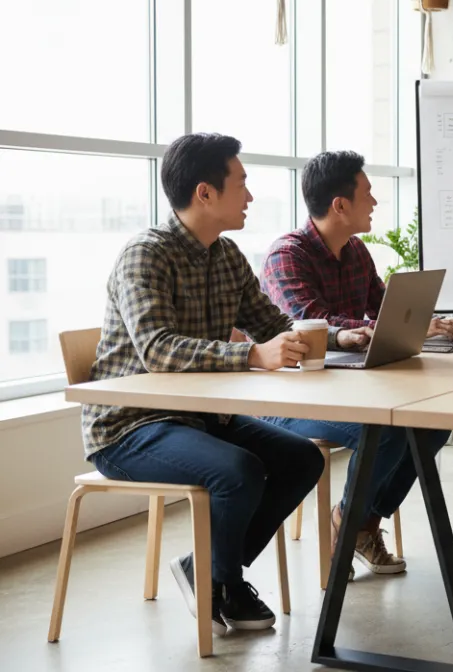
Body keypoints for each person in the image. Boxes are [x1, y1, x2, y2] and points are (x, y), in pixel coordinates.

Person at [82, 134, 371, 636]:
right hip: (129, 425)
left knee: (302, 459)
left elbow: (271, 323)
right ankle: (224, 582)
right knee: (239, 471)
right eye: (242, 184)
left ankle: (209, 571)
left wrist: (329, 340)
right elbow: (158, 350)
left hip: (200, 417)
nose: (251, 197)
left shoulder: (227, 256)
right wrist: (254, 354)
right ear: (205, 193)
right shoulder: (145, 256)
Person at [259, 151, 453, 580]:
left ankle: (359, 524)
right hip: (290, 399)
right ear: (340, 205)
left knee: (432, 424)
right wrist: (373, 329)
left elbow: (384, 308)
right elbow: (313, 325)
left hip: (350, 390)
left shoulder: (355, 250)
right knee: (387, 430)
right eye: (368, 194)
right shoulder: (286, 255)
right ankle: (350, 524)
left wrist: (429, 322)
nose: (374, 203)